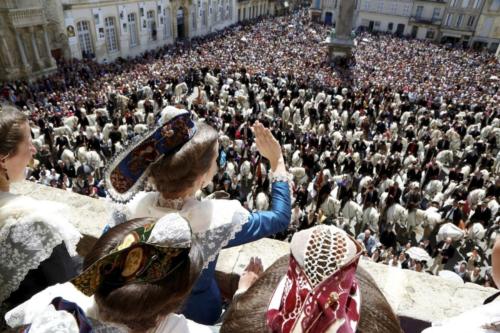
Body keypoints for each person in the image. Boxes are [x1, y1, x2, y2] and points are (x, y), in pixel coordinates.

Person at [104, 107, 291, 325]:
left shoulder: (128, 209)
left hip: (138, 315)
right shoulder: (218, 219)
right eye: (216, 159)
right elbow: (279, 217)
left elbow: (106, 263)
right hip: (197, 314)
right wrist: (277, 162)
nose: (218, 162)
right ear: (202, 178)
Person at [5, 216, 265, 333]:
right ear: (173, 303)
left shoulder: (59, 297)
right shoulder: (179, 329)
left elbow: (14, 316)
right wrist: (242, 293)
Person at [0, 106, 81, 328]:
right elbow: (69, 288)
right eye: (27, 142)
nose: (34, 149)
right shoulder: (31, 219)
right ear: (2, 159)